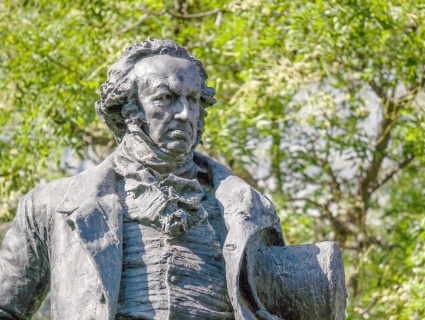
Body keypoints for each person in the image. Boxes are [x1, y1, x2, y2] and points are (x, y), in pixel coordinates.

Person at [0, 39, 346, 320]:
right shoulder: (52, 205)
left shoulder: (247, 207)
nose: (183, 113)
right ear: (129, 108)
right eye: (165, 98)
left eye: (192, 100)